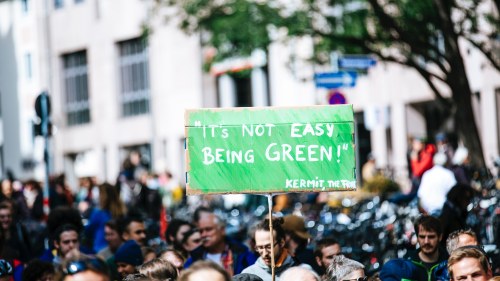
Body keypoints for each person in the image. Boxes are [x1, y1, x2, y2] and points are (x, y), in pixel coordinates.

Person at [185, 208, 256, 276]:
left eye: (208, 229)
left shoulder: (242, 254)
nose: (204, 234)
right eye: (201, 231)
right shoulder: (194, 259)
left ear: (222, 230)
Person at [85, 183, 126, 253]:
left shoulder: (98, 213)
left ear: (103, 196)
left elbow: (88, 231)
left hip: (100, 250)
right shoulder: (121, 212)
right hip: (118, 249)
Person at [405, 215, 448, 280]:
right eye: (422, 237)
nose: (426, 242)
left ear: (440, 237)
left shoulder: (449, 262)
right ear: (417, 237)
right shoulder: (407, 262)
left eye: (431, 237)